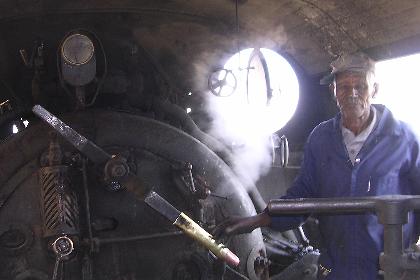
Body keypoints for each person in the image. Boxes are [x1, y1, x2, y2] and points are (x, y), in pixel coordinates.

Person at [214, 52, 420, 279]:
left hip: (389, 269)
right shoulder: (321, 138)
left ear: (374, 89)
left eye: (360, 86)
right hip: (336, 267)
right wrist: (255, 221)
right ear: (334, 92)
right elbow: (303, 195)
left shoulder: (405, 138)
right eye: (343, 87)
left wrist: (408, 261)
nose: (351, 94)